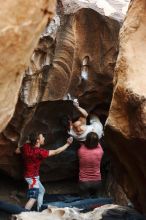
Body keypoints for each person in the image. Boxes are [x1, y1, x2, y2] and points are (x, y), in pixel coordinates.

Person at [15, 133, 73, 211]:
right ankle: (23, 213)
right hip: (32, 177)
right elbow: (56, 152)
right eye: (42, 137)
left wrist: (28, 143)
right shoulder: (40, 152)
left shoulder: (26, 146)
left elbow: (17, 151)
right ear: (37, 140)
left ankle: (40, 209)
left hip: (30, 175)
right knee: (33, 197)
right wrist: (67, 144)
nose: (44, 138)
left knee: (42, 191)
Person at [77, 132, 104, 198]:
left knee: (85, 201)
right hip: (97, 182)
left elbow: (81, 142)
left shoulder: (81, 151)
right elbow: (98, 143)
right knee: (97, 201)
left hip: (84, 182)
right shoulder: (100, 151)